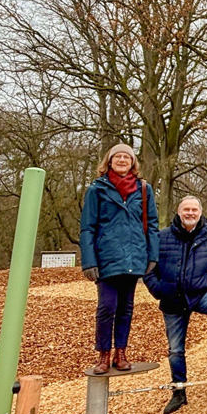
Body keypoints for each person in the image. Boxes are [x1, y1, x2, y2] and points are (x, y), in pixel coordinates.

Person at [144, 196, 207, 414]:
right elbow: (148, 269)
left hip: (200, 293)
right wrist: (159, 290)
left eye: (194, 210)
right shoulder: (162, 237)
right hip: (172, 297)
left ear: (200, 212)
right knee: (176, 350)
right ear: (179, 212)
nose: (190, 213)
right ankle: (179, 391)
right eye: (186, 209)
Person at [80, 143, 158, 375]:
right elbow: (87, 228)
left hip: (134, 257)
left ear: (133, 162)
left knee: (126, 308)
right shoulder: (97, 189)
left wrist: (152, 255)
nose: (122, 160)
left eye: (127, 157)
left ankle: (121, 353)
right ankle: (103, 355)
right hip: (107, 258)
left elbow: (152, 224)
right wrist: (89, 261)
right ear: (109, 161)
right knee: (106, 307)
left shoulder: (144, 189)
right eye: (118, 157)